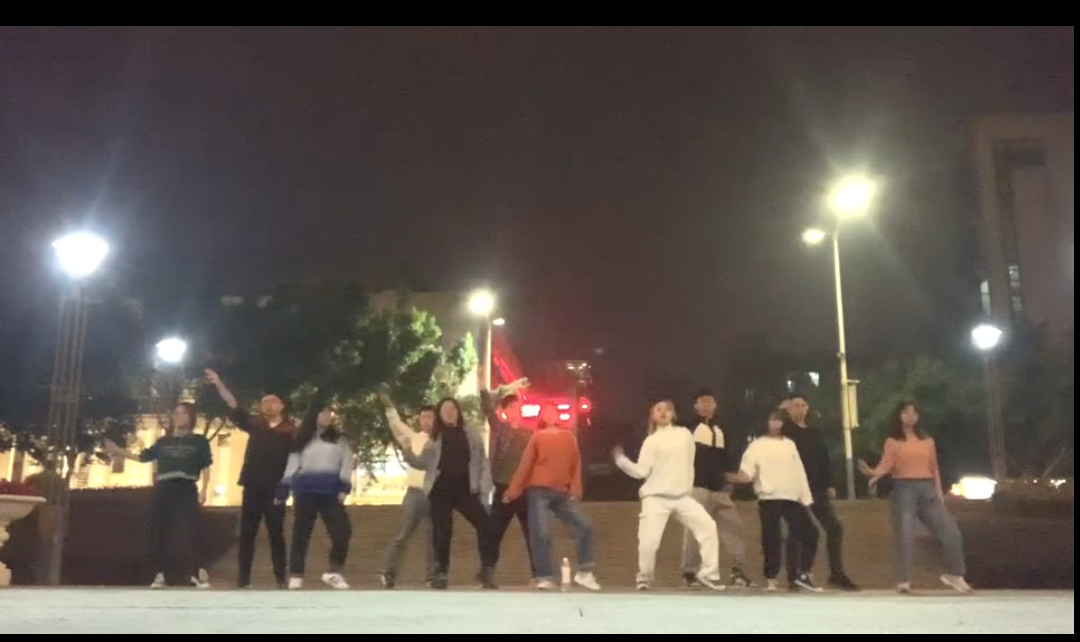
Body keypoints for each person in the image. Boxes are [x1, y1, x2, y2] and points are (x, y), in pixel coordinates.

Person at [858, 401, 971, 593]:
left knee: (951, 532)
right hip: (904, 488)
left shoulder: (927, 440)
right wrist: (872, 473)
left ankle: (955, 574)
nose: (910, 415)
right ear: (899, 416)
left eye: (914, 412)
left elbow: (934, 468)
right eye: (906, 412)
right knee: (905, 534)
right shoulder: (893, 441)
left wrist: (939, 492)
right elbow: (886, 465)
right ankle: (904, 580)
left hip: (927, 487)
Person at [613, 400, 725, 591]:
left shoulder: (685, 434)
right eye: (659, 409)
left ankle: (708, 574)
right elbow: (641, 471)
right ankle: (644, 578)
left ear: (673, 414)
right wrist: (621, 461)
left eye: (667, 409)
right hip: (655, 498)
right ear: (653, 416)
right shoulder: (651, 441)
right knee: (649, 542)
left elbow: (690, 460)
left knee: (708, 527)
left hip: (682, 497)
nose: (663, 412)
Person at [206, 369, 297, 589]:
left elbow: (298, 458)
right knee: (247, 533)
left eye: (273, 402)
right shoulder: (256, 425)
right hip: (252, 485)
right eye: (265, 402)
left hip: (276, 488)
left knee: (276, 533)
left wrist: (289, 484)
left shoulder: (291, 430)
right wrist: (219, 384)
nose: (268, 405)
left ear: (282, 406)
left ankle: (280, 579)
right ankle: (243, 578)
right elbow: (233, 405)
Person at [104, 402, 212, 589]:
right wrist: (118, 450)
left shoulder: (199, 441)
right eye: (176, 413)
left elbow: (206, 466)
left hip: (186, 486)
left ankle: (197, 572)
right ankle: (160, 573)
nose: (178, 417)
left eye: (183, 413)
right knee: (159, 530)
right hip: (164, 487)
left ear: (191, 417)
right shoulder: (163, 442)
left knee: (191, 529)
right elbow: (143, 457)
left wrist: (205, 490)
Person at [395, 396, 498, 589]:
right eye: (444, 410)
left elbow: (482, 461)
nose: (449, 413)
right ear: (439, 415)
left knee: (486, 525)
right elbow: (421, 462)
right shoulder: (435, 437)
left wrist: (484, 486)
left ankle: (487, 570)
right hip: (440, 489)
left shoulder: (471, 433)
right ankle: (441, 572)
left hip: (466, 489)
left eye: (452, 409)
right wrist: (407, 450)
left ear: (458, 412)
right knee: (442, 531)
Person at [503, 404, 600, 591]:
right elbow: (525, 465)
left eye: (552, 411)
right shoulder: (537, 436)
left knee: (584, 525)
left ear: (557, 415)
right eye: (545, 412)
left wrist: (575, 490)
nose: (549, 415)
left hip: (561, 492)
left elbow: (576, 463)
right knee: (541, 532)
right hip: (538, 491)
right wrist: (513, 491)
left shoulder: (568, 437)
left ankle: (585, 572)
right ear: (541, 417)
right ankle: (545, 576)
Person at [733, 409, 822, 592]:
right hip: (769, 497)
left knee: (810, 532)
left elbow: (799, 471)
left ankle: (801, 574)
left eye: (779, 420)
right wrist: (738, 477)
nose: (776, 424)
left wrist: (805, 497)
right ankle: (771, 577)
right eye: (772, 420)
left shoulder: (790, 444)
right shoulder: (757, 445)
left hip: (791, 497)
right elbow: (747, 470)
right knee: (771, 538)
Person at [782, 393, 858, 590]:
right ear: (788, 409)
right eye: (795, 405)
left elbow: (824, 458)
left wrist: (829, 483)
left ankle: (836, 573)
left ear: (807, 408)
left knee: (834, 527)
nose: (800, 408)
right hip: (794, 488)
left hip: (817, 488)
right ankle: (794, 577)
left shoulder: (814, 432)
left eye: (803, 405)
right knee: (797, 531)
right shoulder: (785, 433)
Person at [276, 402, 354, 590]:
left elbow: (347, 462)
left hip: (330, 492)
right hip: (305, 491)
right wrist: (284, 487)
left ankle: (335, 571)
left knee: (342, 531)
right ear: (314, 415)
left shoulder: (339, 439)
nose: (328, 416)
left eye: (329, 413)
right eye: (323, 412)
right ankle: (296, 574)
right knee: (301, 533)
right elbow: (292, 464)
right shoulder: (301, 439)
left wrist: (344, 487)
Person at [681, 387, 752, 589]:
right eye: (702, 401)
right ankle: (690, 573)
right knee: (694, 530)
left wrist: (729, 479)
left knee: (734, 527)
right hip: (697, 487)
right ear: (695, 406)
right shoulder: (688, 428)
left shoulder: (721, 430)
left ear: (715, 405)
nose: (706, 405)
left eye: (710, 401)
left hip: (719, 489)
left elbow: (726, 458)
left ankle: (737, 571)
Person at [377, 391, 437, 588]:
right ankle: (388, 572)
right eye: (423, 417)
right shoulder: (414, 438)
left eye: (430, 417)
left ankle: (433, 576)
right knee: (402, 535)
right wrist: (389, 406)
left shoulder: (441, 442)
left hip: (436, 494)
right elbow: (397, 425)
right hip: (415, 493)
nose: (427, 421)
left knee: (434, 538)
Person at [482, 377, 537, 582]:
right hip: (503, 487)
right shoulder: (500, 428)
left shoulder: (530, 433)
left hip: (525, 490)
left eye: (518, 406)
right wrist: (507, 388)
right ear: (505, 410)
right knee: (494, 532)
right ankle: (487, 571)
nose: (517, 410)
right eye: (512, 407)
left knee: (532, 534)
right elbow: (487, 406)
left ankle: (539, 574)